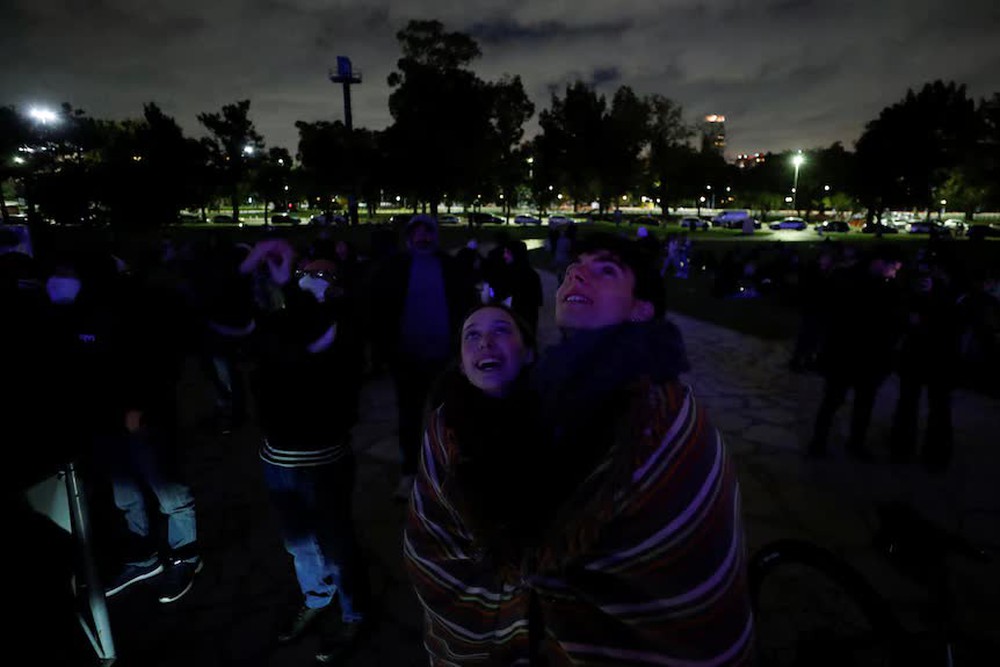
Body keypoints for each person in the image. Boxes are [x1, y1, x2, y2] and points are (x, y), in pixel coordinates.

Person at [521, 233, 754, 665]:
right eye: (574, 266)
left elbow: (544, 538)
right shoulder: (602, 377)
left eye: (605, 269)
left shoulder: (627, 407)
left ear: (640, 309)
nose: (575, 272)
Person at [39, 253, 201, 604]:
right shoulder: (73, 312)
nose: (57, 278)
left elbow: (162, 360)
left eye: (66, 270)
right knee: (126, 495)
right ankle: (144, 556)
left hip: (141, 418)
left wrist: (142, 405)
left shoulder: (133, 307)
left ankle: (186, 555)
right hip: (103, 419)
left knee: (168, 492)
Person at [239, 239, 371, 662]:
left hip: (323, 459)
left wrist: (292, 297)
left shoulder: (343, 325)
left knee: (336, 543)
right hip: (276, 456)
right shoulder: (287, 318)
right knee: (298, 542)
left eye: (324, 274)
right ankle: (316, 599)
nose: (311, 280)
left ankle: (354, 613)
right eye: (306, 273)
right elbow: (259, 340)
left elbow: (307, 355)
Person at [404, 303, 543, 663]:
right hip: (466, 617)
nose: (485, 343)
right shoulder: (443, 430)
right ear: (463, 365)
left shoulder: (559, 422)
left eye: (501, 330)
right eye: (473, 335)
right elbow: (429, 534)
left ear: (528, 353)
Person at [369, 215, 476, 500]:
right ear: (408, 237)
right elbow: (378, 306)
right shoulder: (395, 267)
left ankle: (446, 469)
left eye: (427, 232)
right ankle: (408, 473)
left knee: (446, 416)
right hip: (406, 358)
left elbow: (467, 304)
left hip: (445, 357)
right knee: (409, 417)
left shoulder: (451, 267)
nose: (423, 237)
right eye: (417, 233)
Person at [808, 246, 904, 460]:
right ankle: (819, 442)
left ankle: (855, 442)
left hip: (869, 359)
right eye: (893, 268)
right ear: (879, 262)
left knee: (863, 404)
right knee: (833, 400)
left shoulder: (887, 286)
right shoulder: (850, 281)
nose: (894, 273)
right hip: (845, 354)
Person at [889, 256, 961, 471]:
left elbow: (952, 328)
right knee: (911, 403)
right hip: (917, 357)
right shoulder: (915, 296)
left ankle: (934, 451)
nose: (925, 280)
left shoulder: (948, 298)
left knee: (936, 407)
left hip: (938, 359)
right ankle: (905, 446)